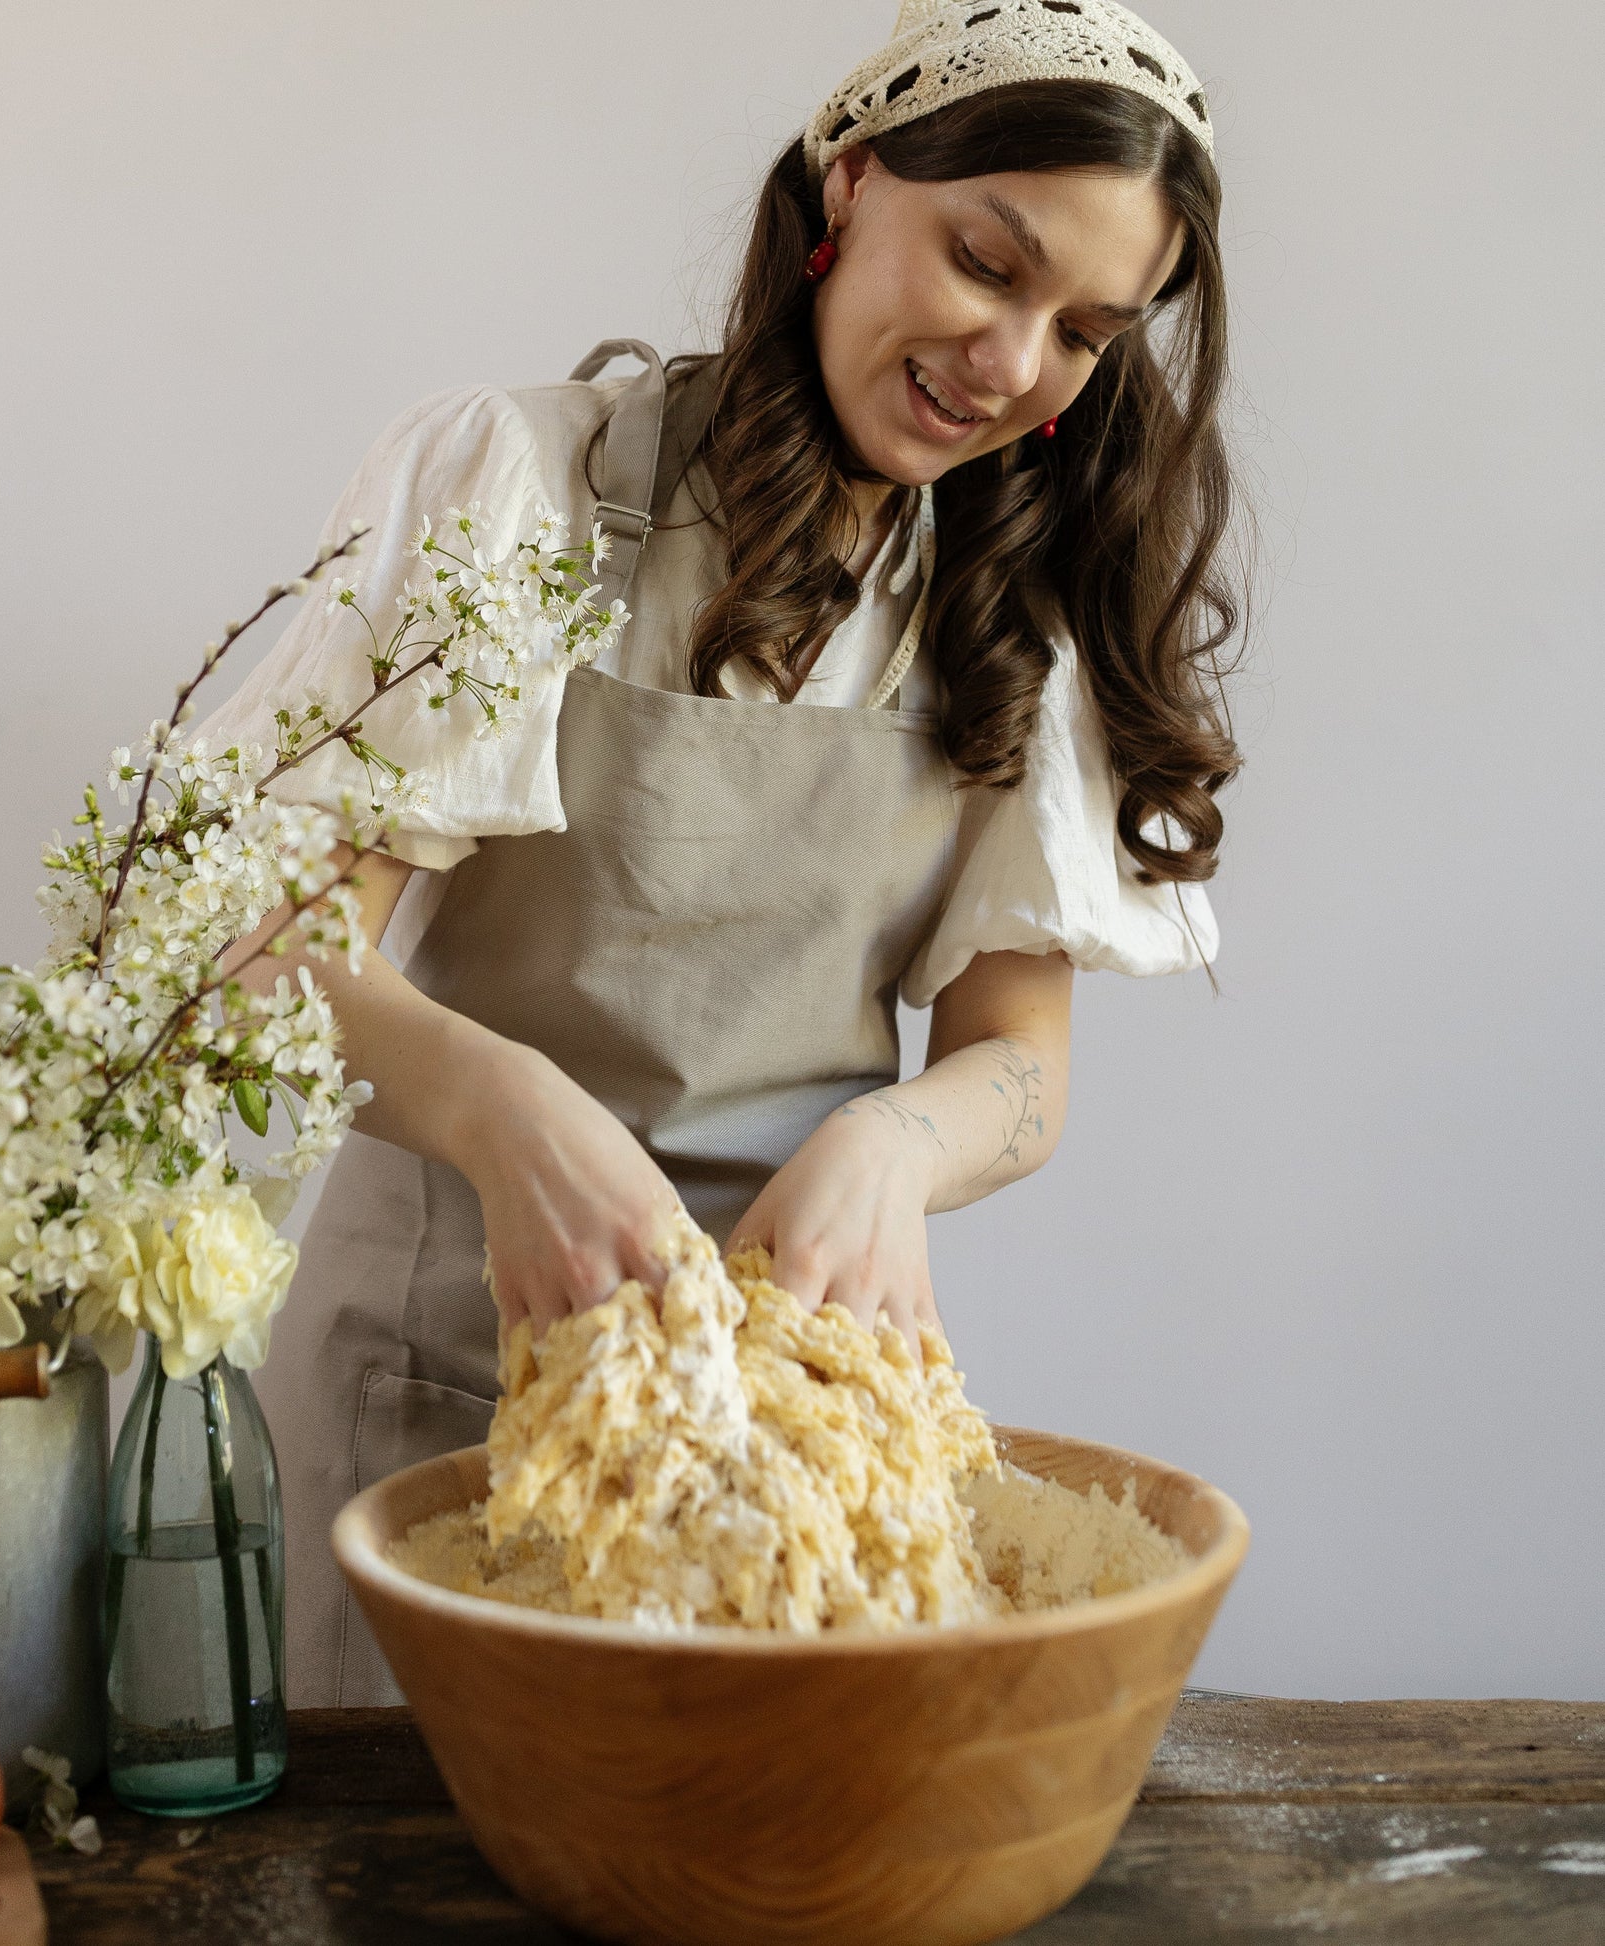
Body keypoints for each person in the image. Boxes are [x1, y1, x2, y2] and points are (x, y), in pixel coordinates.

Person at [201, 0, 1242, 1705]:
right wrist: (503, 1110)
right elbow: (258, 953)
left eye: (1081, 333)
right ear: (849, 183)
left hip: (792, 1456)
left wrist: (895, 1141)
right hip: (446, 1409)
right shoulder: (522, 486)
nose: (1009, 364)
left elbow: (1021, 1065)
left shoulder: (1010, 619)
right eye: (986, 262)